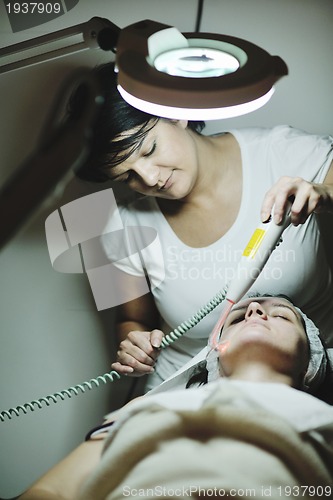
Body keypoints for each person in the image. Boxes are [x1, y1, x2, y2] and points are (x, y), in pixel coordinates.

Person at [72, 62, 333, 391]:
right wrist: (133, 344)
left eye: (150, 149)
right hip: (190, 391)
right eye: (127, 176)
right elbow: (132, 319)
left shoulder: (281, 152)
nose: (151, 178)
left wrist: (324, 194)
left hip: (310, 382)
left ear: (175, 112)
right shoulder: (120, 224)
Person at [19, 296, 332, 500]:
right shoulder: (149, 406)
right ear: (213, 355)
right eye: (235, 319)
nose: (254, 310)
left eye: (282, 316)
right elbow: (52, 490)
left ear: (312, 361)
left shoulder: (322, 418)